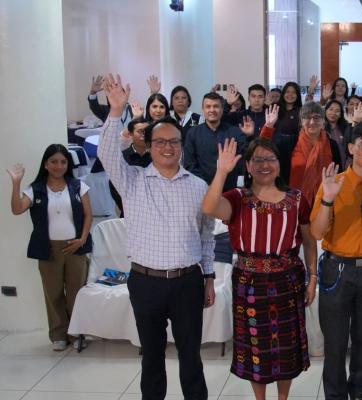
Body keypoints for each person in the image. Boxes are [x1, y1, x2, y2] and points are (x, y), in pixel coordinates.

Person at [98, 74, 216, 400]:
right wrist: (115, 112)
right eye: (160, 142)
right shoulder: (132, 180)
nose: (167, 147)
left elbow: (206, 236)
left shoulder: (197, 185)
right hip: (146, 282)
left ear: (182, 146)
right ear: (148, 147)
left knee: (191, 358)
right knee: (152, 358)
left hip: (187, 282)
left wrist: (208, 277)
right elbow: (107, 155)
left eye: (174, 142)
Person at [201, 138, 317, 400]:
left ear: (280, 164)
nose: (265, 165)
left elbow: (309, 242)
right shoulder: (238, 198)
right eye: (258, 160)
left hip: (289, 281)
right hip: (250, 283)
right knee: (256, 347)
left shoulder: (297, 199)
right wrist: (221, 171)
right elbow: (209, 208)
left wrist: (312, 278)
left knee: (286, 348)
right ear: (248, 166)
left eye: (271, 159)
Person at [310, 120, 362, 400]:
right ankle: (334, 396)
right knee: (335, 343)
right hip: (337, 270)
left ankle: (359, 392)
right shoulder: (333, 184)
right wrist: (328, 200)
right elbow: (318, 232)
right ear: (352, 147)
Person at [7, 145, 92, 351]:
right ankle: (58, 335)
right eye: (54, 162)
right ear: (46, 164)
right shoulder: (35, 188)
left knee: (76, 292)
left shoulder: (78, 186)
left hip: (75, 247)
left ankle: (76, 334)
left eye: (63, 162)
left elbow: (89, 215)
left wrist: (81, 240)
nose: (58, 166)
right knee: (52, 293)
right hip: (48, 248)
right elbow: (17, 209)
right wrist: (16, 183)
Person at [260, 102, 342, 207]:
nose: (312, 122)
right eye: (307, 118)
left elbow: (339, 174)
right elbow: (262, 150)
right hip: (292, 203)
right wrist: (268, 126)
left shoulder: (332, 145)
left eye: (316, 118)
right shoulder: (289, 143)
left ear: (323, 121)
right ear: (301, 122)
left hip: (325, 203)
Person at [183, 92, 252, 192]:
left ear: (222, 109)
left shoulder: (235, 132)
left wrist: (249, 137)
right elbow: (190, 165)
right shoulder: (193, 133)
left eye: (216, 106)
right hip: (202, 189)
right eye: (208, 107)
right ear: (203, 109)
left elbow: (245, 158)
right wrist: (207, 185)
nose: (212, 110)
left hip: (231, 189)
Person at [323, 100, 349, 167]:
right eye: (331, 109)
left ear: (341, 114)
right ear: (325, 111)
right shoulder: (320, 129)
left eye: (337, 111)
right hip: (324, 166)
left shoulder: (346, 129)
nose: (333, 113)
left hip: (342, 166)